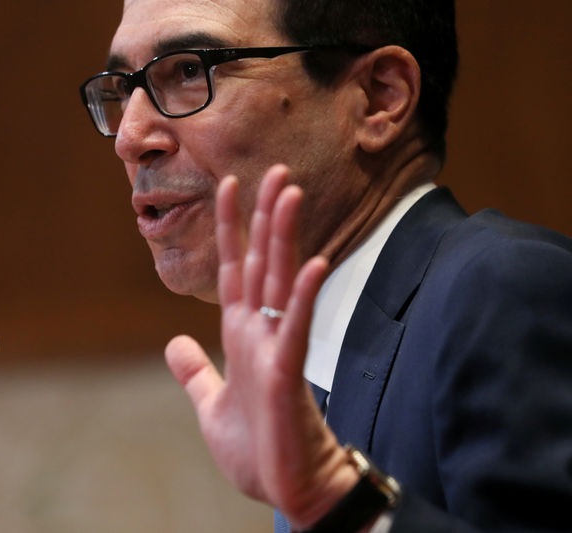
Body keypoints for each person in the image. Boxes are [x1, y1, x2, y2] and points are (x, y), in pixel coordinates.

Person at [79, 0, 572, 531]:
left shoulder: (500, 289)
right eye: (122, 88)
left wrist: (336, 502)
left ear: (378, 97)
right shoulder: (318, 364)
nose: (130, 139)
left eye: (190, 71)